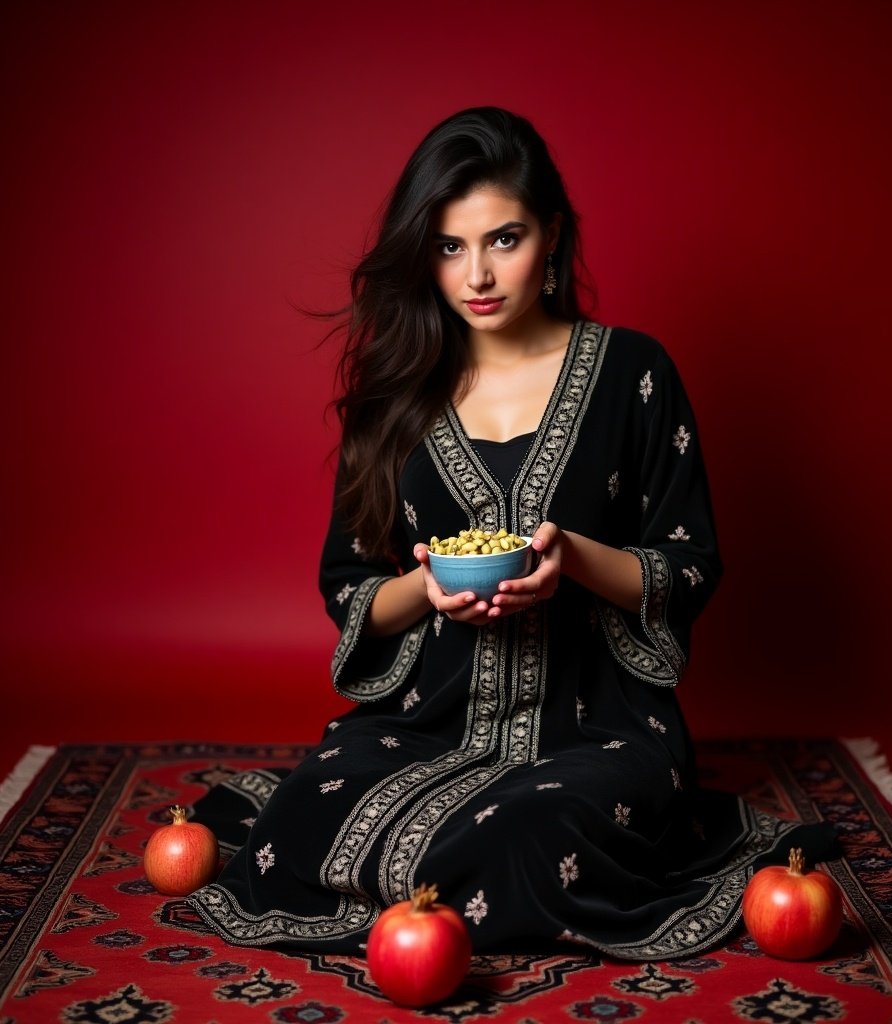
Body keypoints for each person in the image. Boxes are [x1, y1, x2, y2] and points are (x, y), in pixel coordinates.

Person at [188, 107, 833, 959]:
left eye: (505, 239)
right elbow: (349, 586)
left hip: (598, 727)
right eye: (451, 247)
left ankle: (454, 889)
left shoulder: (635, 373)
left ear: (553, 237)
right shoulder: (396, 396)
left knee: (537, 831)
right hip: (429, 721)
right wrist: (428, 587)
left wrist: (574, 562)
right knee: (308, 807)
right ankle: (442, 885)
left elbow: (690, 565)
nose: (478, 275)